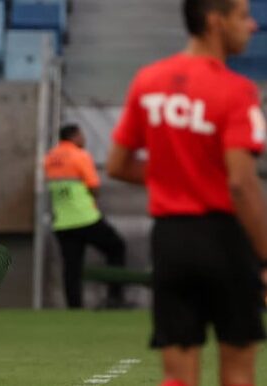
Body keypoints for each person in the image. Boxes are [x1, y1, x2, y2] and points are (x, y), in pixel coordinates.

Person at [107, 0, 267, 385]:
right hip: (225, 238)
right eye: (243, 16)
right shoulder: (237, 90)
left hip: (171, 240)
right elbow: (242, 185)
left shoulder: (149, 80)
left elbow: (117, 165)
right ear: (215, 20)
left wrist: (174, 177)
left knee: (177, 375)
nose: (253, 27)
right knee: (238, 371)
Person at [44, 123, 127, 309]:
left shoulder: (50, 157)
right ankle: (115, 297)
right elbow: (94, 186)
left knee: (71, 267)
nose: (84, 139)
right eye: (81, 135)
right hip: (85, 218)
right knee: (116, 247)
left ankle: (74, 308)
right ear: (74, 136)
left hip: (62, 222)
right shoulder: (80, 155)